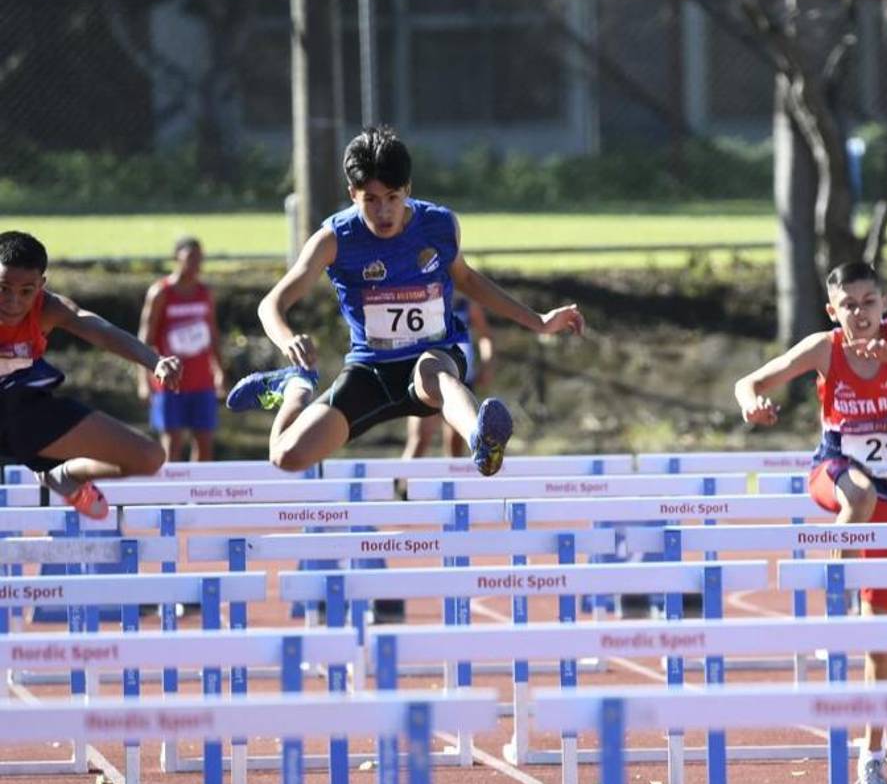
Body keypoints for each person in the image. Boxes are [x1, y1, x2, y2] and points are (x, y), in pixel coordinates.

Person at [733, 260, 887, 784]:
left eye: (869, 302)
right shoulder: (824, 348)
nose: (860, 314)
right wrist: (753, 407)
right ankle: (829, 590)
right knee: (857, 495)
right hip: (833, 474)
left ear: (885, 303)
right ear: (832, 312)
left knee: (881, 634)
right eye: (849, 305)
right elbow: (749, 381)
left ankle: (873, 758)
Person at [225, 125, 584, 479]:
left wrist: (538, 321)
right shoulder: (334, 240)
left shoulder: (439, 226)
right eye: (371, 200)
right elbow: (271, 304)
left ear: (407, 190)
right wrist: (287, 339)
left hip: (433, 354)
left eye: (393, 198)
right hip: (371, 370)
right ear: (353, 194)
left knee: (435, 374)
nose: (384, 212)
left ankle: (482, 440)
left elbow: (468, 280)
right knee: (286, 456)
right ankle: (295, 386)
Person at [0, 231, 181, 518]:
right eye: (3, 288)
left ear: (41, 286)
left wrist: (154, 360)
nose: (12, 302)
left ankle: (62, 475)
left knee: (149, 458)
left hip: (24, 410)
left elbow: (102, 333)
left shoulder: (48, 309)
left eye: (26, 291)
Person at [138, 236, 225, 461]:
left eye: (199, 259)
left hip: (202, 380)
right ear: (177, 259)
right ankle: (170, 495)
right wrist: (143, 379)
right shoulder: (161, 293)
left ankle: (200, 495)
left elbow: (213, 334)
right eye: (190, 259)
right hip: (169, 381)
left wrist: (220, 370)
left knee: (205, 441)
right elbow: (145, 338)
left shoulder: (205, 293)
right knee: (172, 443)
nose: (196, 264)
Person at [401, 296, 494, 460]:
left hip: (461, 380)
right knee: (419, 440)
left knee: (455, 443)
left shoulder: (467, 304)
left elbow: (485, 335)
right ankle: (399, 484)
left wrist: (487, 366)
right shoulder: (422, 299)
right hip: (429, 379)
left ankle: (453, 484)